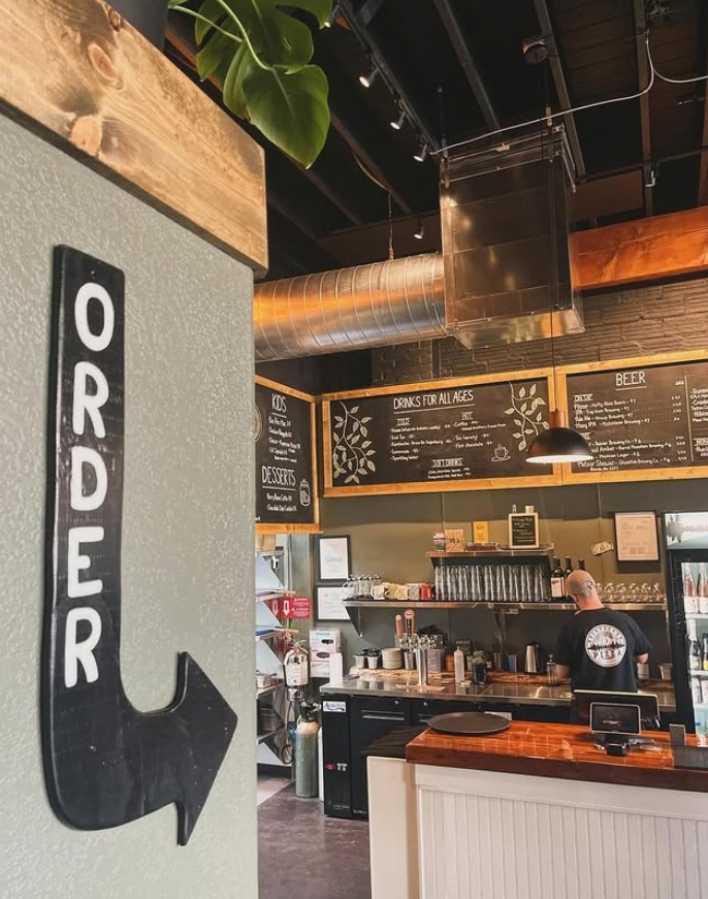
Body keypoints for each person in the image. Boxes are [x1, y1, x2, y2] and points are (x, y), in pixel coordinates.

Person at [554, 570, 651, 693]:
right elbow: (643, 658)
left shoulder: (570, 626)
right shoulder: (625, 620)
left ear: (574, 597)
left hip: (587, 705)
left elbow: (561, 672)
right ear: (596, 588)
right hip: (624, 703)